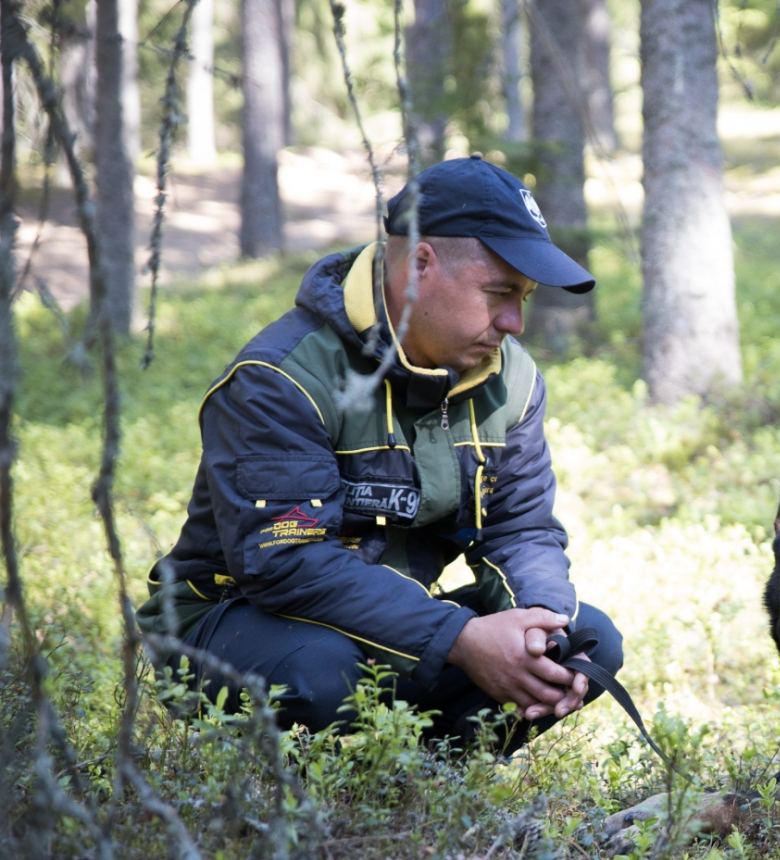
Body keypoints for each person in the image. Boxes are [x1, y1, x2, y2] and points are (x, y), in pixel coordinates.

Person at [138, 156, 622, 750]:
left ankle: (426, 786)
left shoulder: (510, 379)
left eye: (524, 297)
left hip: (397, 626)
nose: (515, 323)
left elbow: (520, 528)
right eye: (499, 293)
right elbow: (285, 565)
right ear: (421, 264)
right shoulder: (281, 378)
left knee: (588, 639)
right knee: (324, 673)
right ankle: (325, 800)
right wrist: (460, 639)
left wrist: (539, 629)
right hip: (238, 619)